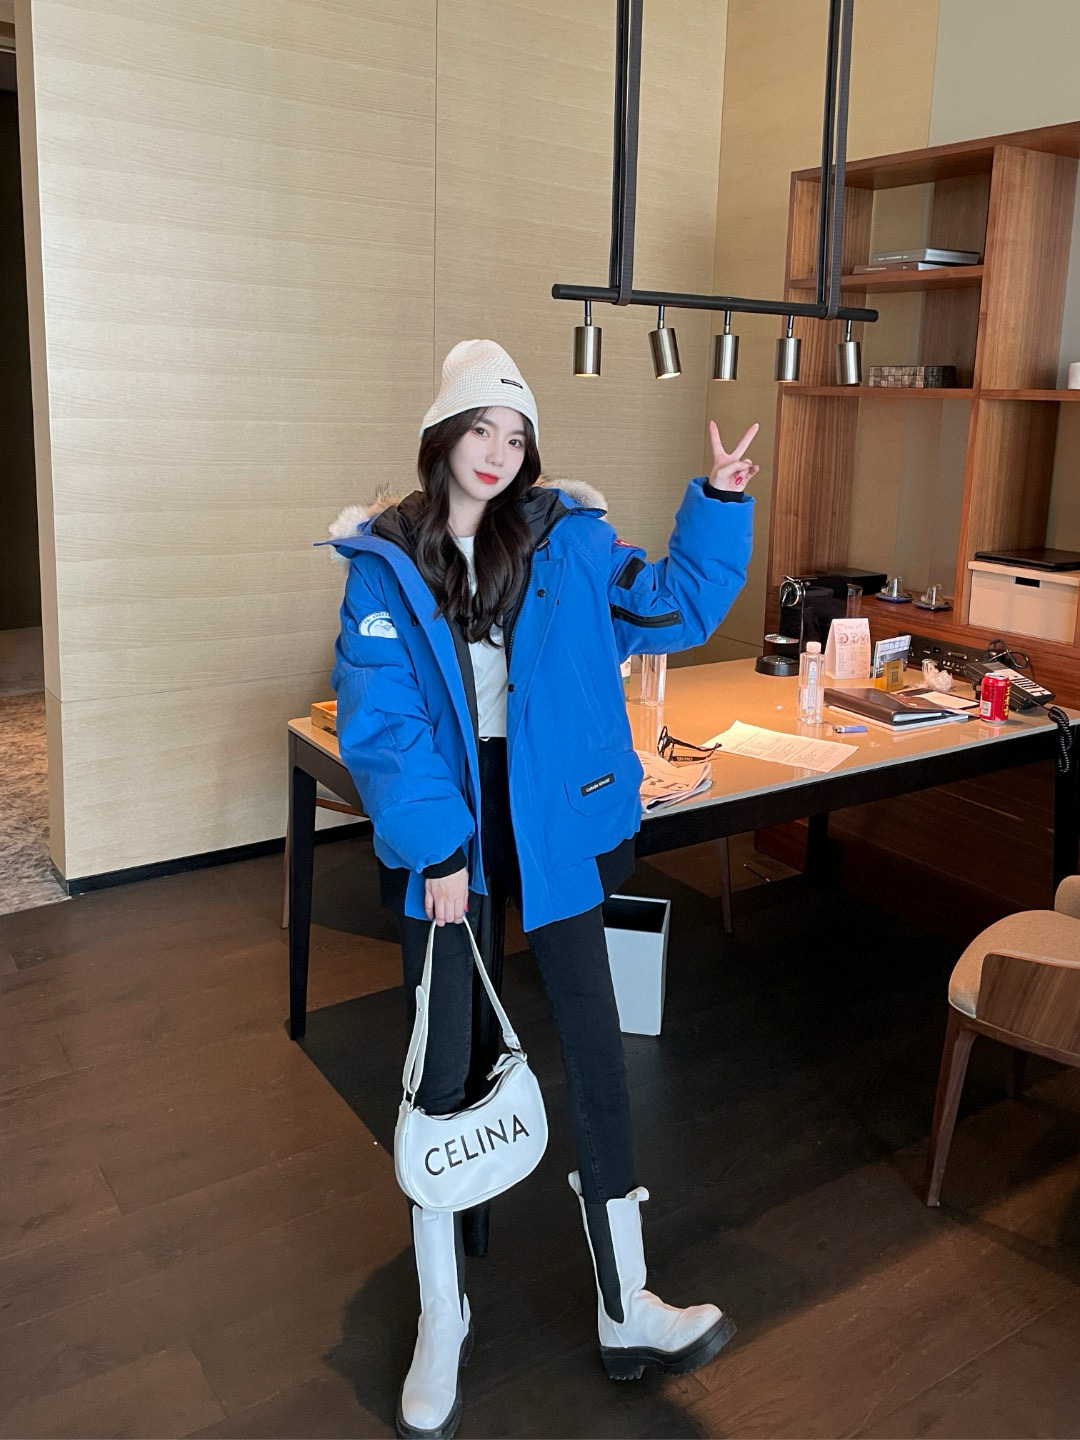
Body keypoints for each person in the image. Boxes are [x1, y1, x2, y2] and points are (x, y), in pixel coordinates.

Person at [326, 339, 757, 1440]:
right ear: (443, 436)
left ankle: (627, 1301)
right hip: (454, 829)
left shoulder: (570, 537)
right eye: (481, 429)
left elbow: (671, 608)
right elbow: (383, 724)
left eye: (516, 437)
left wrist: (716, 503)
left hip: (555, 817)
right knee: (443, 1066)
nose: (498, 453)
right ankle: (444, 1311)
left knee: (597, 1053)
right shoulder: (387, 561)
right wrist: (440, 853)